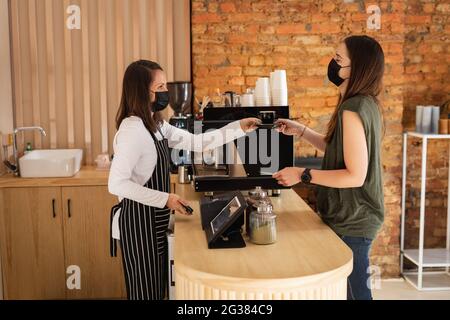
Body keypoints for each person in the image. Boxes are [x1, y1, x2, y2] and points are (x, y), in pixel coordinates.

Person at [108, 60, 260, 300]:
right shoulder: (132, 130)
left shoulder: (156, 124)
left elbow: (197, 142)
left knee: (157, 292)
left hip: (153, 221)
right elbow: (116, 184)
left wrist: (239, 127)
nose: (165, 92)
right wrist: (166, 198)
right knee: (145, 294)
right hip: (138, 223)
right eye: (159, 86)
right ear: (141, 91)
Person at [272, 35, 385, 300]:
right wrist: (301, 131)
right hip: (353, 217)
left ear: (355, 68)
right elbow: (337, 149)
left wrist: (302, 174)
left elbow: (355, 175)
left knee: (354, 294)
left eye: (338, 59)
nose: (332, 64)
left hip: (353, 219)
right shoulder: (363, 103)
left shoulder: (353, 108)